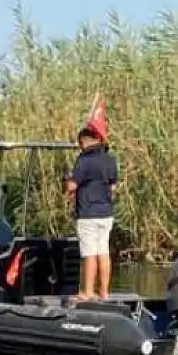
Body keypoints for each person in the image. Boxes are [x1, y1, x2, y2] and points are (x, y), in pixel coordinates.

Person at [65, 126, 118, 301]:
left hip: (88, 213)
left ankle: (87, 292)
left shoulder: (83, 160)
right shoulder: (110, 159)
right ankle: (104, 292)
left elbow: (72, 186)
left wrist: (67, 181)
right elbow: (113, 186)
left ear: (83, 141)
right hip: (106, 213)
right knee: (103, 252)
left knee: (89, 254)